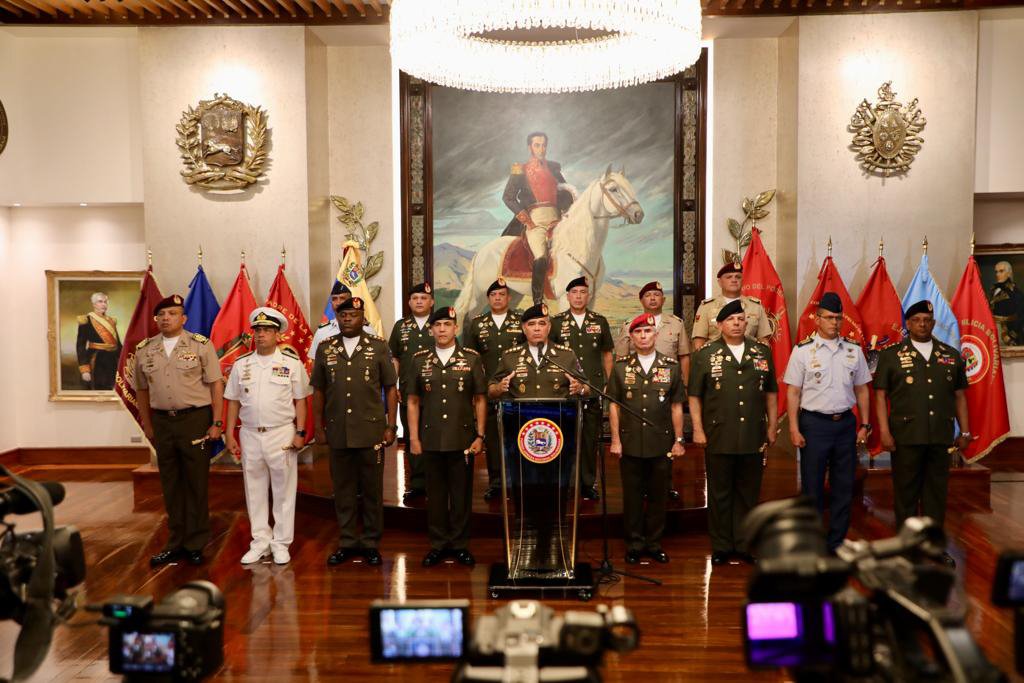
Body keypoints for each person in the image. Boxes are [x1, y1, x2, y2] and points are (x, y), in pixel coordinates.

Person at [874, 299, 971, 567]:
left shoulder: (950, 355)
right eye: (916, 320)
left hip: (940, 436)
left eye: (927, 320)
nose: (922, 325)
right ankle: (906, 548)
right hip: (906, 436)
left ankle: (933, 547)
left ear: (934, 323)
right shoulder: (891, 355)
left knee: (936, 494)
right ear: (908, 323)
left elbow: (960, 396)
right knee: (906, 494)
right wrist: (884, 431)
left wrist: (965, 431)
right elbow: (880, 396)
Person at [133, 294, 223, 567]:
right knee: (171, 484)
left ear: (183, 318)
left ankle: (195, 543)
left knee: (195, 483)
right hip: (162, 422)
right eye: (161, 314)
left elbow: (216, 384)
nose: (166, 318)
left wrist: (217, 422)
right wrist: (147, 424)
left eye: (172, 314)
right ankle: (174, 543)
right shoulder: (145, 349)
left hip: (195, 420)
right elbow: (141, 390)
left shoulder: (200, 345)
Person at [689, 300, 778, 565]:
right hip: (719, 433)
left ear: (746, 322)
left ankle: (745, 544)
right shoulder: (706, 354)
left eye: (740, 319)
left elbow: (771, 393)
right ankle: (722, 546)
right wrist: (698, 429)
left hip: (752, 432)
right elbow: (695, 396)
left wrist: (772, 426)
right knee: (720, 492)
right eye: (730, 320)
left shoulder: (761, 352)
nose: (737, 323)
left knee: (748, 493)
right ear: (719, 325)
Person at [311, 297, 398, 566]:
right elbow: (318, 390)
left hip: (371, 431)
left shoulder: (378, 347)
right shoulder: (326, 348)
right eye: (343, 314)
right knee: (343, 490)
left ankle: (371, 542)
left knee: (372, 490)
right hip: (338, 431)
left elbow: (390, 389)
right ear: (337, 317)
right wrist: (318, 427)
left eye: (353, 314)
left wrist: (391, 425)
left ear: (363, 317)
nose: (347, 318)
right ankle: (348, 541)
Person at [784, 292, 871, 552]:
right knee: (812, 488)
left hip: (845, 425)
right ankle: (811, 543)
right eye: (829, 317)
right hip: (814, 425)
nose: (835, 322)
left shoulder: (854, 350)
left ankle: (836, 543)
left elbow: (862, 390)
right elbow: (793, 392)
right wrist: (793, 428)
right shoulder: (802, 351)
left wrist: (865, 425)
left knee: (843, 487)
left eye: (838, 318)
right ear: (817, 319)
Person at [224, 307, 311, 566]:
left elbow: (301, 401)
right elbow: (232, 401)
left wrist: (300, 432)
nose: (261, 334)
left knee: (284, 491)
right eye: (258, 330)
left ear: (277, 334)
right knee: (254, 490)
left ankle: (281, 543)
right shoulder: (242, 364)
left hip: (281, 433)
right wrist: (229, 433)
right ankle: (260, 541)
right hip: (250, 434)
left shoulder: (291, 363)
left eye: (267, 330)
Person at [405, 307, 486, 568]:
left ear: (456, 328)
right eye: (437, 325)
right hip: (430, 439)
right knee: (436, 497)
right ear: (431, 330)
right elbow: (412, 401)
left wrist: (480, 435)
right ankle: (438, 545)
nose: (442, 329)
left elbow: (480, 399)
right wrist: (414, 438)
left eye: (447, 324)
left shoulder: (471, 359)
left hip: (462, 439)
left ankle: (460, 545)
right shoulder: (420, 360)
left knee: (461, 496)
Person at [607, 313, 686, 564]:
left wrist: (679, 440)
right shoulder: (620, 367)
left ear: (656, 334)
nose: (643, 336)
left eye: (648, 331)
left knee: (658, 496)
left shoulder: (671, 367)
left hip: (660, 442)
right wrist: (615, 440)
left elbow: (676, 407)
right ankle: (634, 543)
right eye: (638, 332)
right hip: (630, 442)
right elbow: (614, 406)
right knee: (632, 497)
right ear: (631, 337)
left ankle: (653, 543)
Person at [614, 280, 692, 500]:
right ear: (641, 300)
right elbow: (620, 356)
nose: (653, 298)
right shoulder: (629, 324)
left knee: (665, 438)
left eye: (657, 294)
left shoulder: (675, 323)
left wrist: (685, 384)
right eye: (648, 295)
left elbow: (684, 356)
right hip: (637, 387)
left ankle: (665, 485)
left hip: (666, 387)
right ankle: (641, 489)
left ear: (663, 299)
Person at [551, 276, 614, 500]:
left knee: (589, 440)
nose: (578, 296)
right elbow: (550, 355)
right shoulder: (556, 322)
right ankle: (564, 483)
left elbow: (607, 354)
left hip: (592, 390)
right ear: (568, 296)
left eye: (582, 292)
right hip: (564, 391)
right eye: (574, 292)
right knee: (563, 437)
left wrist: (609, 383)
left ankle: (587, 483)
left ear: (589, 296)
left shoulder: (599, 321)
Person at [462, 277, 522, 501]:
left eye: (502, 294)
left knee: (516, 436)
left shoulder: (520, 321)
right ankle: (496, 482)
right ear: (488, 299)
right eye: (493, 295)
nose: (497, 298)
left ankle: (517, 481)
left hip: (516, 390)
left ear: (509, 298)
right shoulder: (477, 323)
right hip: (487, 391)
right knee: (494, 439)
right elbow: (470, 358)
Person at [502, 131, 576, 305]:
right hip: (535, 221)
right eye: (537, 145)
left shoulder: (554, 168)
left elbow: (566, 192)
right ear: (530, 147)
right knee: (541, 255)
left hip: (558, 219)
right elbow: (508, 197)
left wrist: (569, 210)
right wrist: (527, 220)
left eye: (543, 145)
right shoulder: (519, 169)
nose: (541, 149)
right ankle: (538, 301)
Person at [389, 281, 435, 504]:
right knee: (411, 437)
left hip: (437, 393)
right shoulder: (401, 326)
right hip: (408, 393)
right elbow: (395, 358)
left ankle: (436, 483)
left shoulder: (439, 324)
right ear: (409, 302)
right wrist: (394, 385)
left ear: (431, 302)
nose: (419, 301)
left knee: (435, 438)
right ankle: (417, 484)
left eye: (423, 298)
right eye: (415, 298)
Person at [488, 303, 589, 400]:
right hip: (521, 411)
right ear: (524, 328)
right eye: (531, 324)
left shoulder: (566, 355)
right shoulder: (509, 356)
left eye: (542, 323)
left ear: (549, 327)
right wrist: (498, 388)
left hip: (557, 411)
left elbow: (587, 388)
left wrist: (580, 389)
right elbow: (491, 391)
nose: (537, 329)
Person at [691, 262, 772, 350]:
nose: (734, 280)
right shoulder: (706, 307)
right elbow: (699, 342)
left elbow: (763, 340)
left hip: (749, 356)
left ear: (742, 281)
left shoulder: (755, 307)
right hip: (716, 356)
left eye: (738, 277)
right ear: (720, 282)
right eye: (729, 277)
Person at [310, 281, 376, 356]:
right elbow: (315, 361)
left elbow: (376, 358)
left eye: (342, 298)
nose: (338, 303)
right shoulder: (322, 331)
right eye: (334, 299)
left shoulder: (366, 329)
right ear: (331, 303)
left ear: (350, 301)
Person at [76, 291, 123, 390]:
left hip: (113, 360)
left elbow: (118, 344)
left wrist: (125, 361)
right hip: (96, 360)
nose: (104, 304)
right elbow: (80, 346)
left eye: (105, 302)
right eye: (100, 301)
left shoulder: (111, 321)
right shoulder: (86, 320)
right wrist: (85, 370)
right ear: (94, 304)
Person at [989, 260, 1024, 346]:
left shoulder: (1015, 292)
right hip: (993, 330)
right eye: (996, 272)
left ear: (1009, 273)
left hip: (1007, 331)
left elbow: (1021, 316)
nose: (997, 274)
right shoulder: (994, 290)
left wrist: (1011, 336)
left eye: (1001, 271)